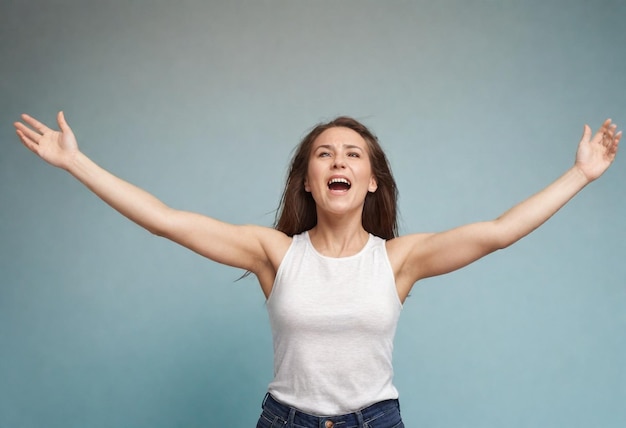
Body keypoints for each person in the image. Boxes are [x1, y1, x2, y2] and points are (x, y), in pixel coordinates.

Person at [14, 112, 620, 428]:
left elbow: (498, 233)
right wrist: (76, 163)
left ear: (370, 180)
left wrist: (580, 174)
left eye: (352, 154)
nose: (338, 160)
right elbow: (166, 220)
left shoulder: (399, 259)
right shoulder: (274, 253)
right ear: (308, 179)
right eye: (324, 154)